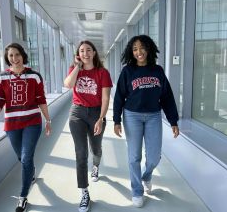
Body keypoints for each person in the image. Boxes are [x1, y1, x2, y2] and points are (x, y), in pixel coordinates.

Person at [113, 35, 179, 208]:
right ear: (131, 52)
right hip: (132, 116)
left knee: (154, 156)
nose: (139, 52)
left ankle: (147, 175)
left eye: (142, 48)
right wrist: (116, 120)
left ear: (148, 49)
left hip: (153, 116)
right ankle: (136, 190)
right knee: (134, 156)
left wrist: (173, 121)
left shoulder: (157, 70)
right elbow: (119, 96)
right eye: (135, 49)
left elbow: (167, 97)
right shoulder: (128, 71)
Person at [0, 43, 51, 212]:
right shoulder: (2, 78)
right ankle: (31, 171)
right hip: (12, 124)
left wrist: (48, 120)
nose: (14, 59)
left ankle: (22, 197)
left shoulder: (34, 76)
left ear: (23, 55)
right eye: (10, 56)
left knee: (25, 158)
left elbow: (41, 99)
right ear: (7, 59)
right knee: (23, 159)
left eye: (17, 54)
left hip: (32, 122)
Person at [64, 40, 113, 212]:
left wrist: (101, 118)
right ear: (79, 54)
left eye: (88, 50)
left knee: (96, 149)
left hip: (96, 113)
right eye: (82, 51)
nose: (85, 53)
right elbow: (68, 84)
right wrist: (77, 66)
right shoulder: (74, 70)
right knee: (81, 152)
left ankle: (96, 166)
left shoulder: (102, 72)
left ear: (93, 53)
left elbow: (106, 98)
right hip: (77, 113)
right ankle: (84, 193)